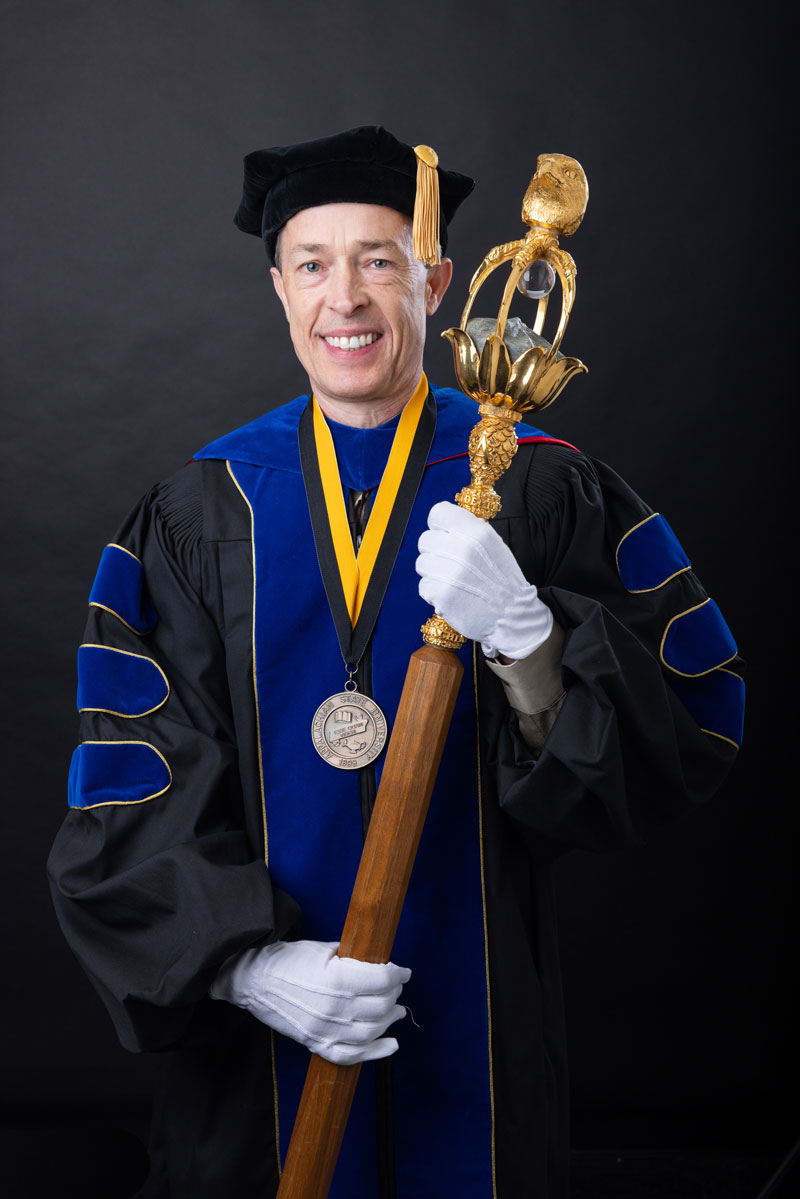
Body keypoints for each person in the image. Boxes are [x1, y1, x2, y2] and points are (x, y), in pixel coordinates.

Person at [48, 125, 744, 1199]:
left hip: (480, 1028)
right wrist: (244, 966)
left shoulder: (541, 488)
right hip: (261, 1050)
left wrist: (529, 637)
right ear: (277, 287)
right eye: (314, 264)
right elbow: (131, 776)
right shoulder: (196, 513)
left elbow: (688, 722)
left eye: (379, 259)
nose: (347, 299)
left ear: (436, 280)